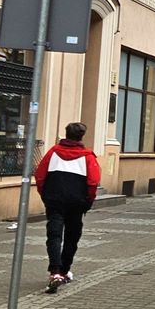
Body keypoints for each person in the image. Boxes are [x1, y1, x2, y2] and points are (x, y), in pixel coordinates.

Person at [34, 122, 101, 293]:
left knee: (54, 235)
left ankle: (55, 271)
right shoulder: (88, 157)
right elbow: (93, 182)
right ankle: (64, 271)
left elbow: (40, 176)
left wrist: (45, 195)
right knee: (72, 237)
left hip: (55, 200)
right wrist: (88, 201)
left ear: (66, 134)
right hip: (77, 203)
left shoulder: (53, 152)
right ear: (81, 136)